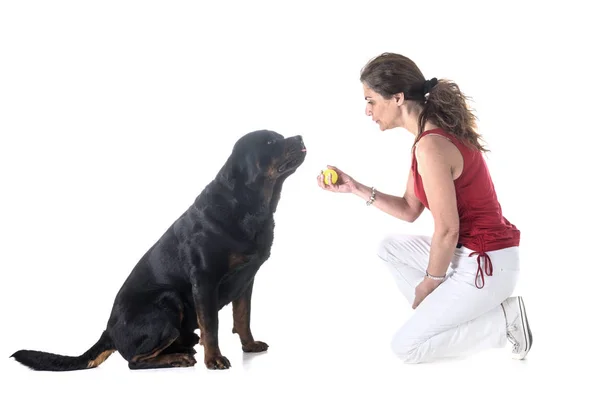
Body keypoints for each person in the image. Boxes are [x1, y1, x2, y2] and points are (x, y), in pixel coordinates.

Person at [316, 52, 532, 363]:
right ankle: (445, 316)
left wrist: (431, 281)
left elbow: (447, 229)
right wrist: (354, 188)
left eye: (371, 100)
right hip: (470, 253)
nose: (367, 110)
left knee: (406, 348)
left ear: (398, 98)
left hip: (487, 262)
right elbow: (409, 209)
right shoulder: (425, 140)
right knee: (389, 247)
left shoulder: (430, 146)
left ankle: (503, 321)